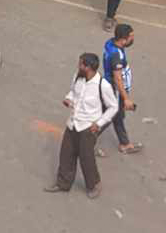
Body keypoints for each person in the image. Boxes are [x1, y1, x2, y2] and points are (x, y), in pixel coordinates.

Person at [45, 51, 116, 198]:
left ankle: (94, 184)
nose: (78, 66)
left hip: (88, 127)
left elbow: (113, 107)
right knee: (66, 154)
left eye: (81, 64)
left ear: (88, 67)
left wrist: (99, 123)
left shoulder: (103, 86)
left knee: (86, 157)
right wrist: (68, 99)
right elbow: (73, 92)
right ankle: (63, 183)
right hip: (73, 123)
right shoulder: (78, 77)